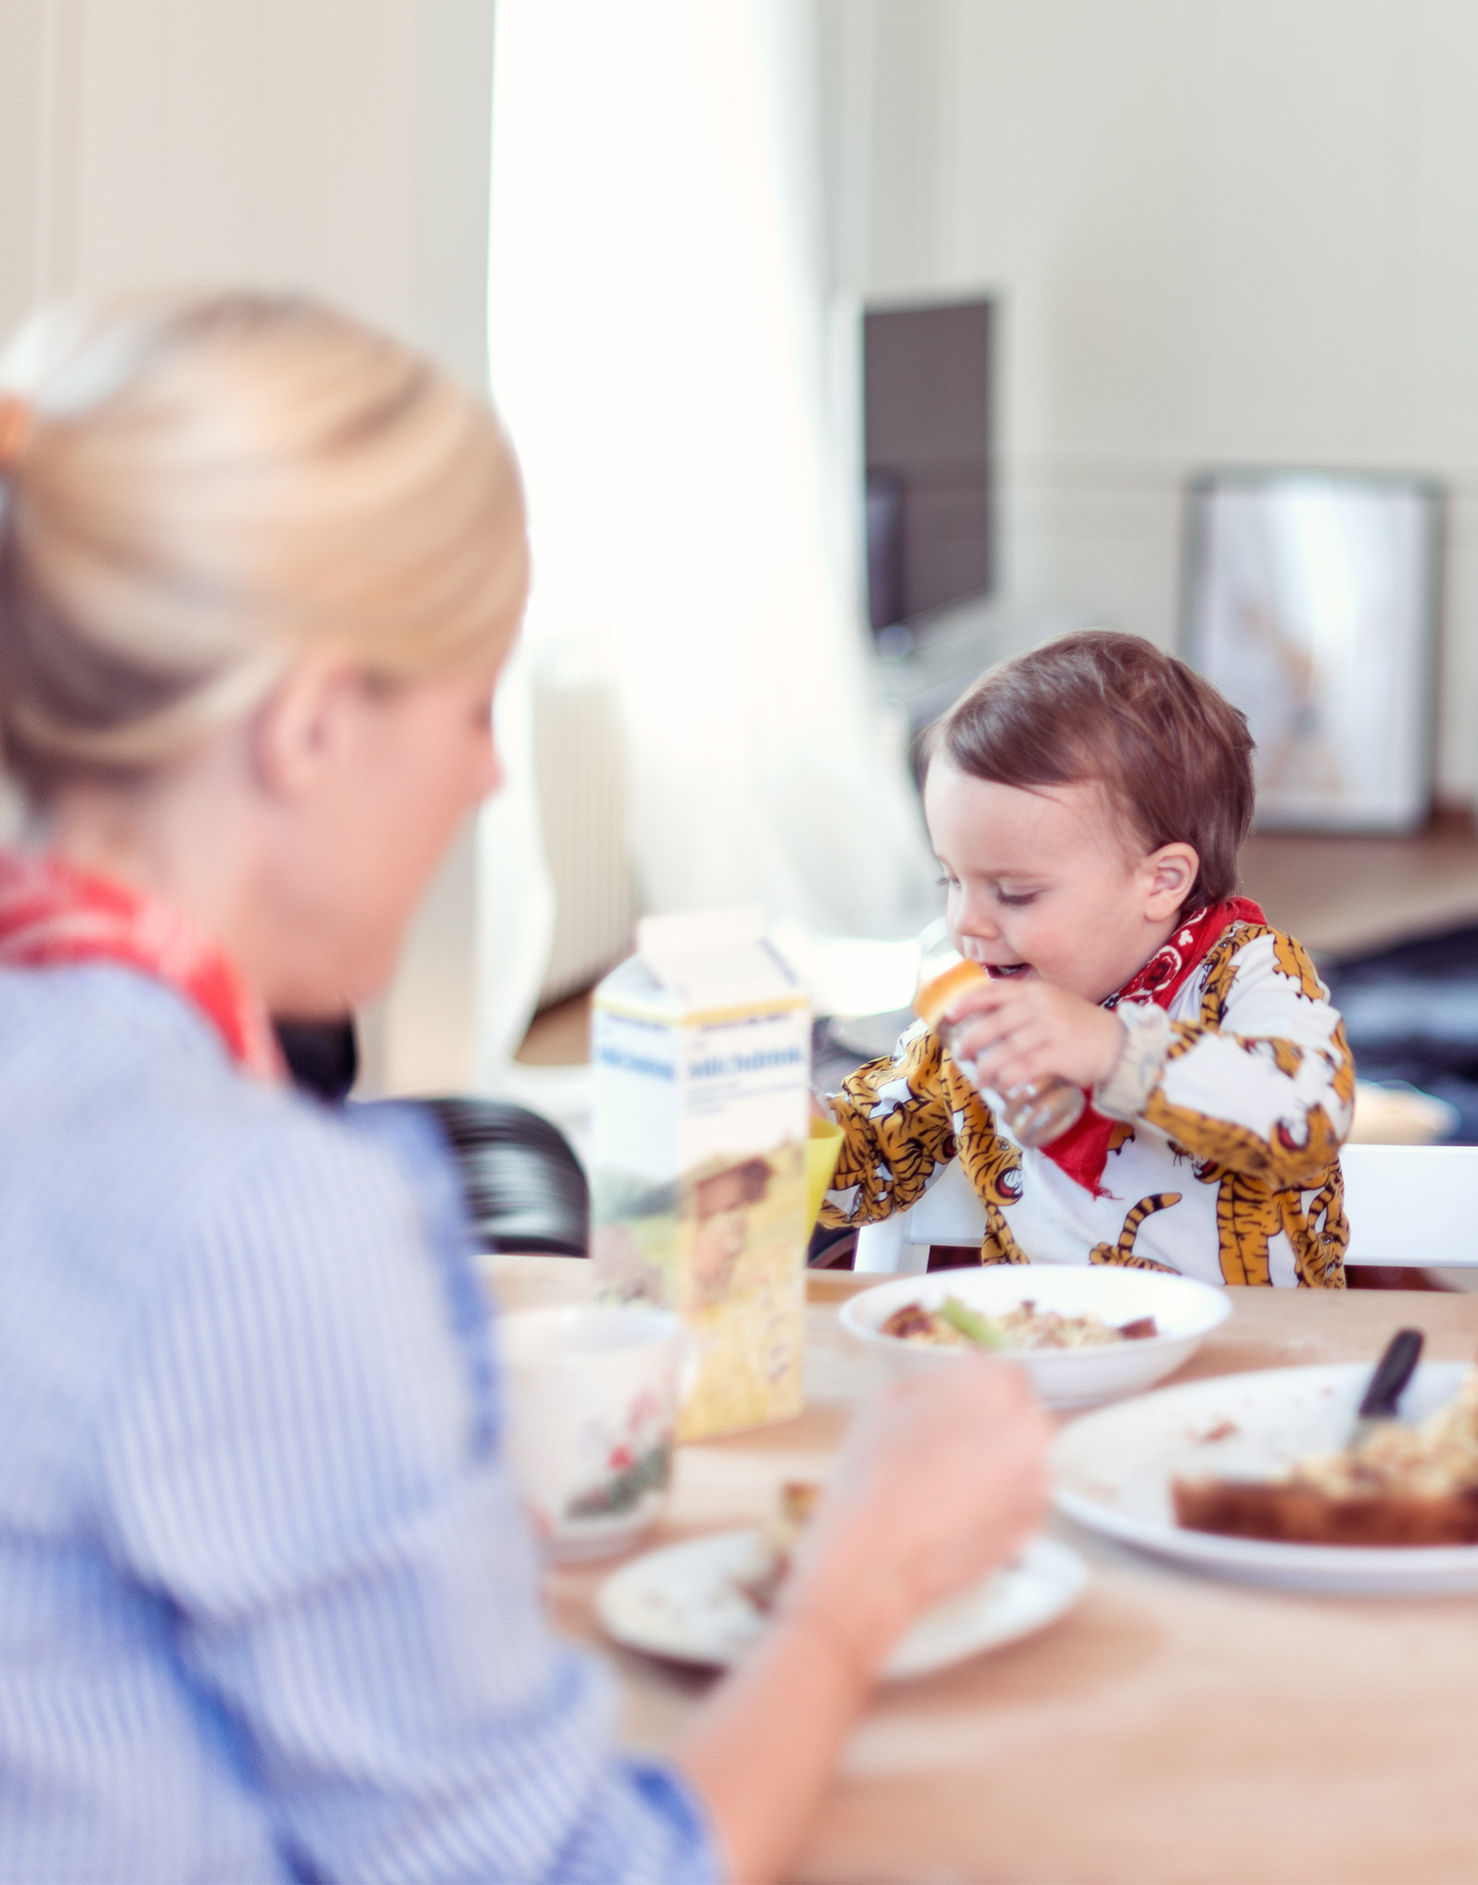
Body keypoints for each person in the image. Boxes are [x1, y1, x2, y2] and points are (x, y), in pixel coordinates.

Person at [0, 293, 1053, 1884]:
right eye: (472, 706)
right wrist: (867, 1571)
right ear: (306, 726)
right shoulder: (263, 1211)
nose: (491, 772)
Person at [825, 633, 1354, 1286]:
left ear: (1160, 883)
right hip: (1056, 1357)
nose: (964, 921)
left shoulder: (1248, 972)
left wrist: (1111, 1049)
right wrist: (790, 1137)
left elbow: (1308, 1116)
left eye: (1014, 892)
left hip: (1256, 1364)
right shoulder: (972, 1025)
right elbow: (869, 1167)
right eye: (950, 881)